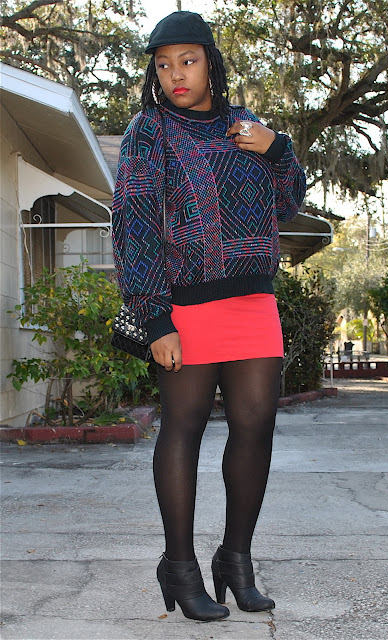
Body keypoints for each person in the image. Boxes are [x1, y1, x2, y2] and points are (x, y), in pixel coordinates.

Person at [112, 10, 306, 622]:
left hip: (253, 301)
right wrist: (153, 318)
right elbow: (135, 222)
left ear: (211, 63)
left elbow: (287, 203)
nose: (176, 74)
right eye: (164, 64)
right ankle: (180, 565)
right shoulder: (149, 130)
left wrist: (278, 149)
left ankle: (235, 560)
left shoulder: (245, 127)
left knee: (256, 424)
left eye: (188, 61)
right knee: (184, 426)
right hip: (185, 305)